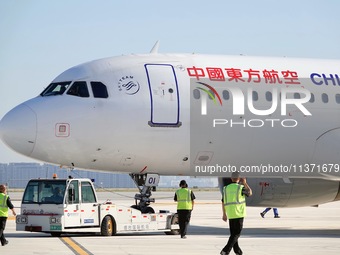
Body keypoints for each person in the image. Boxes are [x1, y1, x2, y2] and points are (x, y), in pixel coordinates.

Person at [221, 172, 252, 255]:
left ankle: (237, 251)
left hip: (230, 214)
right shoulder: (240, 188)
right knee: (236, 234)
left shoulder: (225, 188)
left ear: (231, 178)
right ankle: (225, 250)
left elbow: (223, 202)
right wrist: (245, 183)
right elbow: (250, 193)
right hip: (239, 213)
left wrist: (224, 214)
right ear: (239, 179)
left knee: (233, 234)